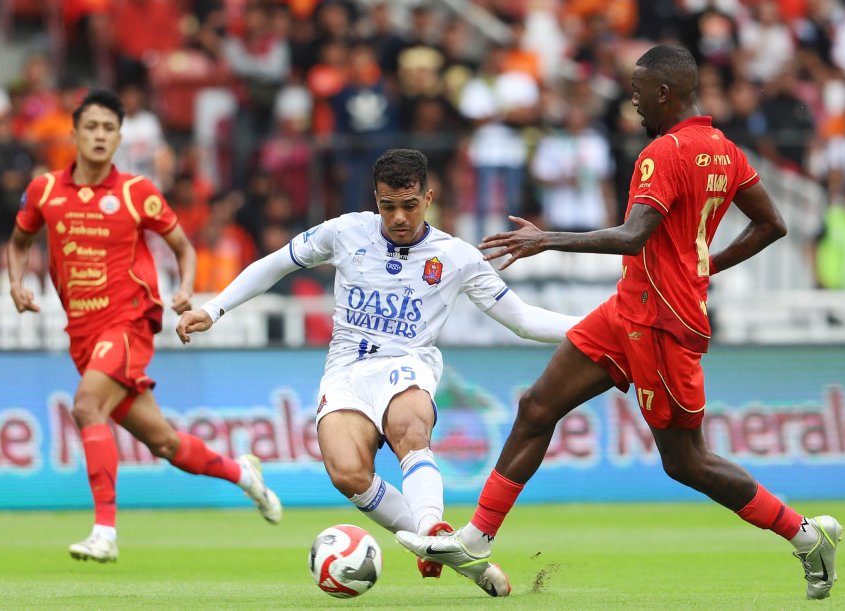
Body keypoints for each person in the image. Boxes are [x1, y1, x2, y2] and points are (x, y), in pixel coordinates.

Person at [397, 46, 845, 600]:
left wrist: (548, 238)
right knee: (537, 407)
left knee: (686, 462)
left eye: (638, 90)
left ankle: (806, 535)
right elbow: (770, 223)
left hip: (661, 321)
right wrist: (701, 264)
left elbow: (634, 235)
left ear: (665, 93)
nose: (631, 100)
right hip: (628, 307)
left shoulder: (663, 153)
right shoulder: (725, 150)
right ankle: (476, 539)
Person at [176, 148, 580, 596]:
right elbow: (276, 264)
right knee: (347, 473)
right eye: (389, 206)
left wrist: (599, 330)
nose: (399, 217)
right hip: (347, 368)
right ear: (376, 199)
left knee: (410, 425)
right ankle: (442, 550)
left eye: (409, 205)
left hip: (408, 363)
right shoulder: (345, 232)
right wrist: (213, 309)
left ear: (428, 197)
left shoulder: (455, 256)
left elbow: (522, 319)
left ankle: (430, 527)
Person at [7, 89, 282, 565]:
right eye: (90, 127)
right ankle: (244, 474)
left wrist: (185, 288)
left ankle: (104, 532)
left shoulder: (137, 193)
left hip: (129, 323)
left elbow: (184, 247)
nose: (98, 135)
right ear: (73, 134)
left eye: (108, 128)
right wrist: (16, 282)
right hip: (83, 335)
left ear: (118, 138)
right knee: (165, 443)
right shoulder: (45, 191)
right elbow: (17, 242)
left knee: (87, 406)